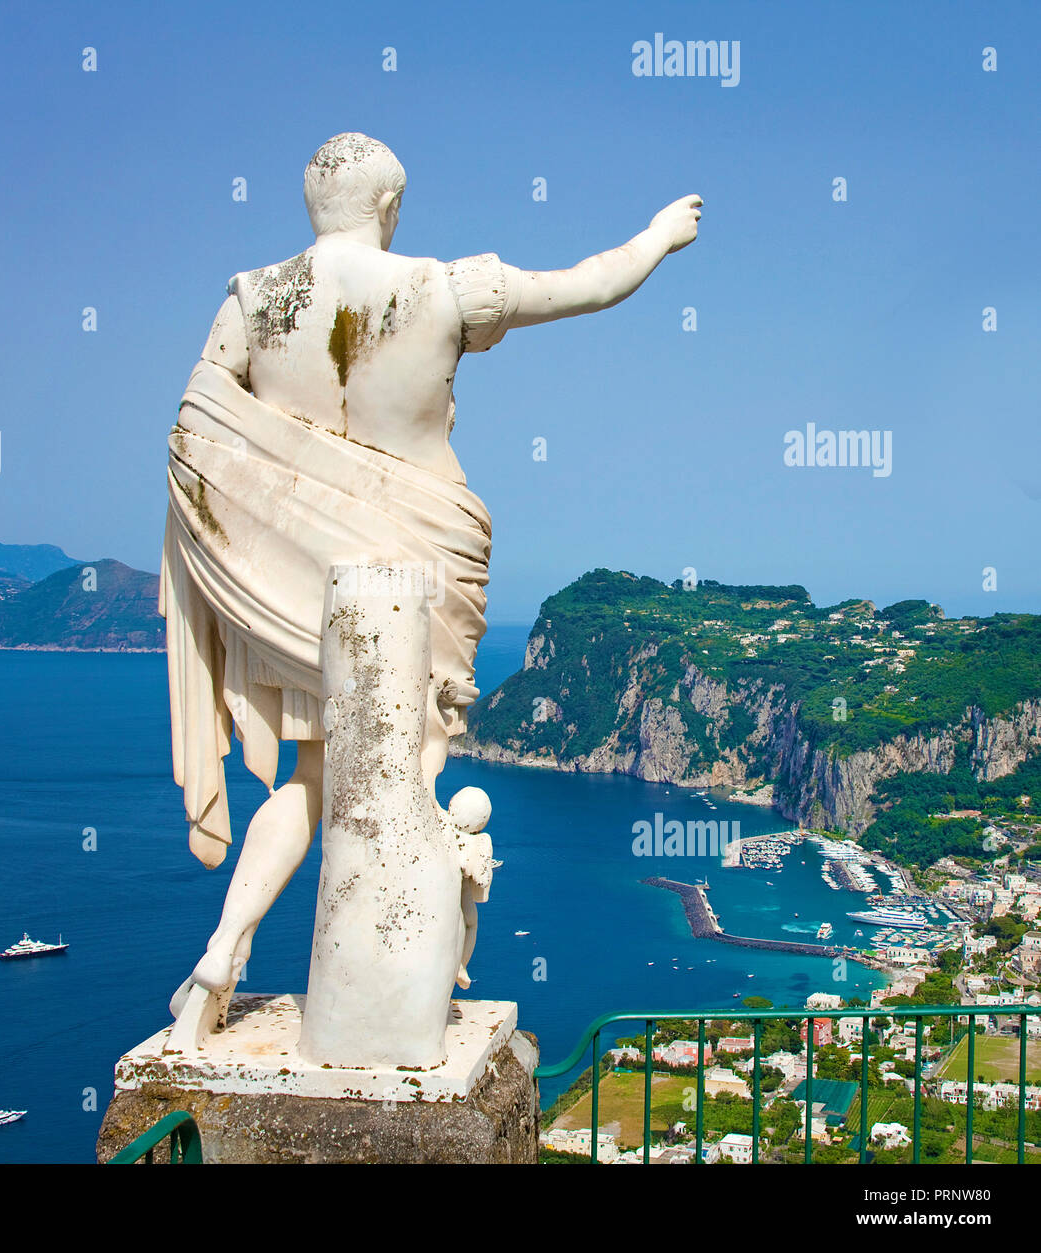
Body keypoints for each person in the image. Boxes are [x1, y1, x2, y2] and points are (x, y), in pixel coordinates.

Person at [162, 132, 701, 1012]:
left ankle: (223, 950)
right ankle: (385, 995)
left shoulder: (251, 301)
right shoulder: (442, 288)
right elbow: (589, 285)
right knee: (408, 780)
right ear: (389, 206)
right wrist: (656, 236)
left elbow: (196, 436)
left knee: (307, 777)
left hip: (303, 587)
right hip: (416, 571)